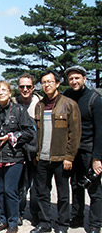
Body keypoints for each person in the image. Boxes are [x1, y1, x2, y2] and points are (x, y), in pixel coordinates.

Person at [30, 70, 81, 233]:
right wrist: (36, 155)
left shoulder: (69, 104)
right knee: (42, 193)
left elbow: (75, 133)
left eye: (50, 82)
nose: (47, 85)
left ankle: (62, 224)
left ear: (57, 83)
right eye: (44, 82)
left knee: (63, 194)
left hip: (61, 158)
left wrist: (69, 157)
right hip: (42, 158)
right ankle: (45, 223)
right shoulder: (39, 105)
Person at [0, 80, 35, 233]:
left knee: (11, 191)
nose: (1, 93)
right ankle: (3, 220)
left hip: (14, 157)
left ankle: (13, 222)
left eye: (4, 90)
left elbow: (29, 132)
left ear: (10, 93)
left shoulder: (19, 110)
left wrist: (10, 136)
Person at [63, 65, 102, 233]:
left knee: (93, 188)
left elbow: (101, 131)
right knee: (76, 185)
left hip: (89, 148)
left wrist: (97, 157)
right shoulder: (67, 96)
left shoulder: (95, 99)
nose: (74, 81)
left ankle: (95, 223)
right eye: (71, 79)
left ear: (84, 79)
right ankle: (77, 217)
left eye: (77, 78)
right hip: (72, 148)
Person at [14, 73, 41, 226]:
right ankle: (18, 212)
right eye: (22, 86)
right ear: (18, 88)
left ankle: (36, 214)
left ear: (33, 87)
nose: (25, 89)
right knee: (20, 186)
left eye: (28, 86)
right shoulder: (13, 103)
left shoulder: (40, 104)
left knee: (37, 186)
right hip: (18, 152)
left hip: (36, 152)